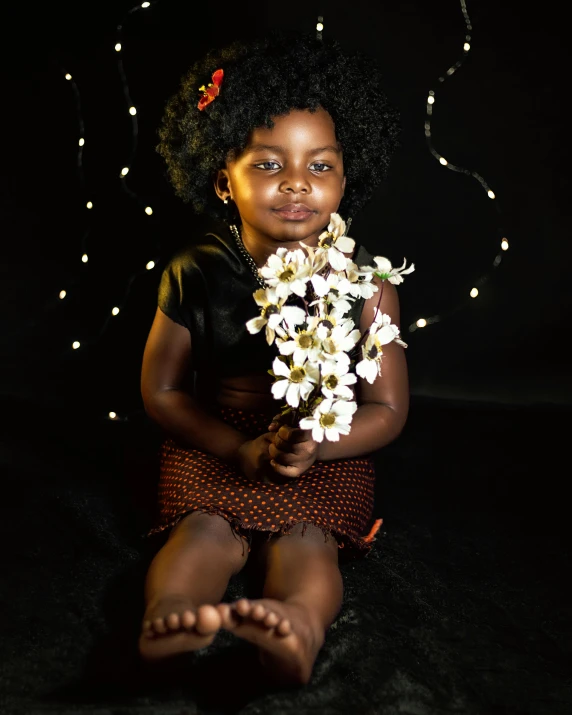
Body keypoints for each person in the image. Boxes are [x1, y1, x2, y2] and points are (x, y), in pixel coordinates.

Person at [139, 31, 409, 686]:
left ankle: (297, 627)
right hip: (217, 438)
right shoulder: (196, 271)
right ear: (222, 181)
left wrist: (316, 443)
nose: (296, 183)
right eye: (267, 165)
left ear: (347, 177)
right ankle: (171, 614)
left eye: (320, 166)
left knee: (309, 540)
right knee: (202, 529)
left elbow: (388, 408)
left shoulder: (367, 280)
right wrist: (236, 449)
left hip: (325, 448)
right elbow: (162, 391)